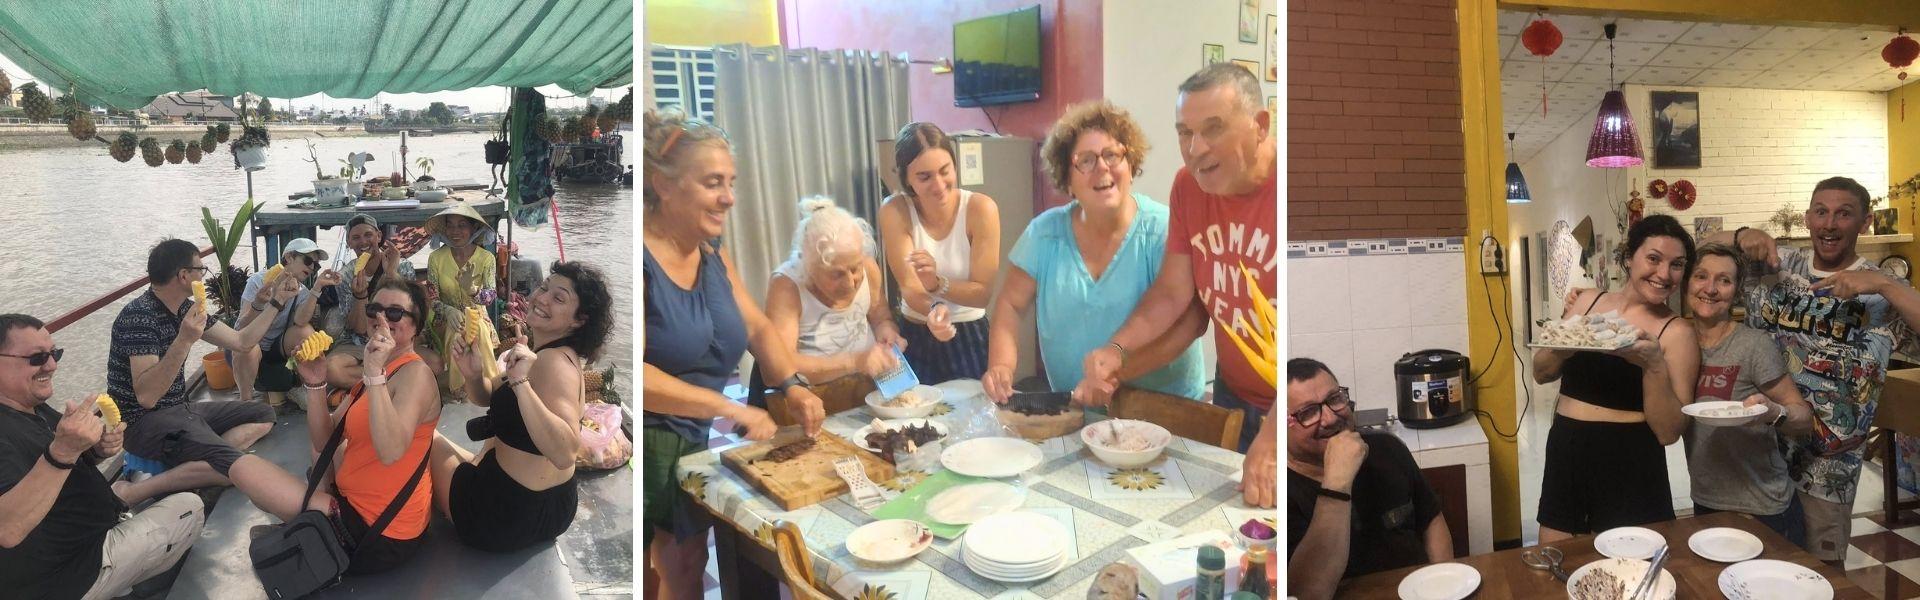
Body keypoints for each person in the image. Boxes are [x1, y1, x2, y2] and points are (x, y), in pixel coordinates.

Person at [641, 108, 826, 599]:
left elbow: (758, 326)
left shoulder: (711, 249)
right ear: (662, 184)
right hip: (647, 440)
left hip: (694, 437)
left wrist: (793, 384)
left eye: (731, 181)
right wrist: (730, 408)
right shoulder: (640, 259)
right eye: (712, 183)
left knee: (690, 563)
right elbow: (637, 378)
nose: (729, 197)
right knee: (656, 574)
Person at [1076, 63, 1278, 508]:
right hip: (1234, 393)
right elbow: (1172, 293)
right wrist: (1116, 350)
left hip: (1295, 405)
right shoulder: (1188, 187)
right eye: (1184, 132)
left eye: (1213, 129)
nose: (1195, 148)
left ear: (1260, 126)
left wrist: (1278, 429)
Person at [1705, 176, 1920, 562]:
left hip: (1827, 471)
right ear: (1807, 217)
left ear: (1865, 222)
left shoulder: (1883, 291)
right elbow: (1696, 248)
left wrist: (1883, 283)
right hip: (1756, 454)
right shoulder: (1776, 265)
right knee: (1745, 565)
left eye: (1844, 214)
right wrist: (1742, 233)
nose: (1830, 223)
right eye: (1821, 212)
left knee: (1819, 571)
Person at [983, 101, 1207, 404]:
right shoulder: (1044, 234)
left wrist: (1117, 373)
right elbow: (1010, 303)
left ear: (1131, 166)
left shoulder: (1163, 230)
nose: (1102, 167)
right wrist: (1001, 365)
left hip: (1168, 412)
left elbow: (1192, 321)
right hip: (1078, 407)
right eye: (1086, 160)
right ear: (1068, 178)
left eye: (1112, 155)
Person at [223, 279, 444, 574]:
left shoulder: (415, 374)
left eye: (394, 314)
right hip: (356, 500)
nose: (381, 319)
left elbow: (391, 452)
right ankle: (313, 516)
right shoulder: (373, 375)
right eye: (374, 309)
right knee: (321, 457)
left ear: (415, 327)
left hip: (380, 532)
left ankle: (317, 523)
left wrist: (375, 374)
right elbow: (323, 441)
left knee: (243, 468)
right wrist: (316, 384)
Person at [0, 314, 206, 600]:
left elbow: (60, 467)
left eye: (54, 353)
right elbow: (7, 529)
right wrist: (63, 451)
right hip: (67, 577)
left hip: (86, 537)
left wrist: (94, 451)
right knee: (191, 507)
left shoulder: (30, 406)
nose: (51, 365)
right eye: (37, 358)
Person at [1531, 214, 1699, 541]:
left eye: (1676, 264)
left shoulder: (1677, 333)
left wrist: (1653, 366)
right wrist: (1567, 346)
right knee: (1555, 565)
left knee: (1628, 576)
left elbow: (1669, 432)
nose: (1664, 274)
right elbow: (1541, 372)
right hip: (1567, 450)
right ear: (1628, 258)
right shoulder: (1585, 300)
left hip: (1629, 461)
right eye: (1653, 258)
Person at [431, 262, 612, 552]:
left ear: (579, 320)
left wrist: (521, 384)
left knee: (426, 439)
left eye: (559, 297)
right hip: (551, 509)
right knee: (489, 443)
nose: (542, 298)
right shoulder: (547, 353)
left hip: (502, 516)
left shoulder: (554, 364)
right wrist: (473, 374)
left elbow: (565, 452)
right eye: (544, 287)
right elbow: (487, 397)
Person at [106, 239, 285, 506]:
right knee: (235, 468)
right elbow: (146, 397)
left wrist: (277, 303)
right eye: (201, 269)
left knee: (263, 414)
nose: (203, 274)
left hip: (180, 409)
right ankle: (133, 492)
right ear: (183, 276)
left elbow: (241, 342)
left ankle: (205, 459)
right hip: (144, 423)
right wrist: (184, 340)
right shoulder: (139, 317)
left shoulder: (186, 309)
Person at [1682, 242, 1814, 547]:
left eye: (1724, 280)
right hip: (1705, 500)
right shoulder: (1677, 344)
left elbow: (1803, 417)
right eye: (1701, 276)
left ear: (1737, 290)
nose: (1711, 289)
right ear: (1686, 281)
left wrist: (1774, 413)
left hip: (1764, 507)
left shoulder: (1753, 345)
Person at [1286, 358, 1449, 600]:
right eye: (1308, 412)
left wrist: (1443, 584)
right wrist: (1337, 482)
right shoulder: (1282, 490)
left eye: (1334, 399)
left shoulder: (1386, 447)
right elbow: (1308, 593)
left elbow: (1431, 520)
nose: (1330, 418)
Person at [876, 122, 1001, 384]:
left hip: (967, 334)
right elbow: (910, 287)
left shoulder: (980, 209)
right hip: (914, 332)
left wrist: (937, 283)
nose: (939, 184)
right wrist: (934, 308)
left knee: (973, 418)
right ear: (906, 179)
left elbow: (982, 294)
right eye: (924, 177)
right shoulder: (895, 211)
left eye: (945, 171)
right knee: (910, 418)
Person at [751, 196, 905, 409]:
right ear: (809, 267)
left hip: (866, 392)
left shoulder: (869, 268)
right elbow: (777, 366)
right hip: (811, 400)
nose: (851, 283)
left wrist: (887, 331)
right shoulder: (787, 285)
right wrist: (855, 361)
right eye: (837, 274)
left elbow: (880, 315)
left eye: (855, 268)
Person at [232, 238, 341, 414]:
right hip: (249, 345)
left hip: (276, 347)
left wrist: (317, 287)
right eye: (308, 261)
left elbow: (300, 322)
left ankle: (304, 386)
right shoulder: (259, 282)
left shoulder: (302, 292)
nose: (312, 268)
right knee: (250, 348)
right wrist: (259, 303)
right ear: (289, 257)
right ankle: (246, 402)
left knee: (305, 332)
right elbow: (240, 328)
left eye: (316, 265)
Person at [327, 213, 403, 390]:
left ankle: (368, 383)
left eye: (368, 235)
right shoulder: (346, 274)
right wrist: (360, 296)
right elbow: (360, 329)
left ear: (378, 236)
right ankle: (391, 381)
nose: (363, 242)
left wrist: (392, 275)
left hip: (396, 339)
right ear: (349, 243)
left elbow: (409, 311)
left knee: (435, 364)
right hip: (359, 343)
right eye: (356, 237)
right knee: (332, 369)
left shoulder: (401, 265)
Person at [426, 201, 495, 389]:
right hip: (443, 317)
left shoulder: (486, 258)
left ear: (473, 228)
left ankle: (488, 385)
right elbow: (432, 298)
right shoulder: (436, 258)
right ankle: (457, 389)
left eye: (462, 225)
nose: (455, 231)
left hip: (476, 314)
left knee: (478, 328)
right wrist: (447, 311)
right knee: (456, 333)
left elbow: (490, 297)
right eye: (450, 225)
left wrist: (473, 289)